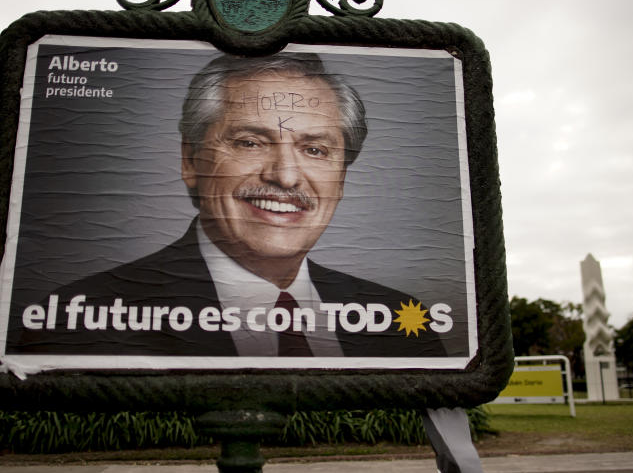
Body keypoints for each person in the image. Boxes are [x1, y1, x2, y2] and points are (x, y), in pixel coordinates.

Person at [25, 53, 445, 359]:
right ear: (191, 160)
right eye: (249, 142)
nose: (285, 177)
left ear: (342, 175)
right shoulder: (78, 320)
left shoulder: (405, 323)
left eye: (315, 149)